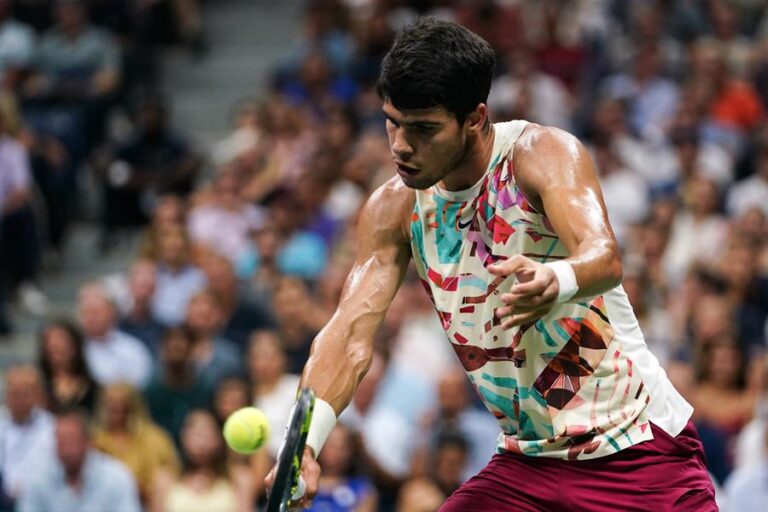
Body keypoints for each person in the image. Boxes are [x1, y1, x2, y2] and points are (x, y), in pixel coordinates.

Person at [266, 18, 716, 511]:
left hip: (636, 452)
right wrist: (305, 444)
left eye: (424, 129)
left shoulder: (539, 155)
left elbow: (604, 255)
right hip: (527, 464)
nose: (400, 145)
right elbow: (349, 332)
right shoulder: (394, 208)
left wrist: (557, 277)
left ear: (476, 118)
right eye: (392, 121)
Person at [18, 409, 141, 512]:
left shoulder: (116, 478)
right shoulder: (38, 480)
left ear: (89, 442)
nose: (66, 448)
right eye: (60, 441)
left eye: (71, 440)